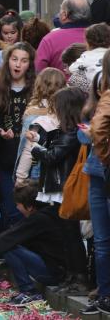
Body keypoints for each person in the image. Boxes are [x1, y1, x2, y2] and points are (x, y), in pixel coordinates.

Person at [23, 86, 89, 290]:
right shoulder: (70, 132)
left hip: (65, 188)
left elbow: (53, 156)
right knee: (67, 234)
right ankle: (72, 274)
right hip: (62, 187)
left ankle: (78, 276)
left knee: (71, 235)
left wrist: (35, 147)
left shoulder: (72, 133)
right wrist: (40, 141)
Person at [0, 185, 66, 306]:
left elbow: (8, 238)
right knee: (12, 244)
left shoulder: (38, 220)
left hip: (53, 274)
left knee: (9, 248)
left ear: (30, 206)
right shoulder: (49, 212)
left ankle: (29, 291)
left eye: (18, 204)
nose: (16, 207)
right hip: (60, 270)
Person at [0, 42, 35, 231]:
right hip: (5, 157)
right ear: (8, 62)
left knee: (28, 209)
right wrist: (0, 132)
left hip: (31, 159)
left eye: (23, 60)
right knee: (11, 207)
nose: (18, 65)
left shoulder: (35, 90)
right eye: (14, 59)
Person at [83, 53, 110, 315]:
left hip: (98, 166)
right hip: (100, 167)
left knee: (102, 239)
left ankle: (104, 293)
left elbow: (98, 128)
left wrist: (102, 152)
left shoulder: (103, 91)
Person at [36, 0, 92, 72]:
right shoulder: (101, 37)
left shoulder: (50, 39)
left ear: (64, 15)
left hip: (58, 83)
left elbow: (38, 70)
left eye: (60, 10)